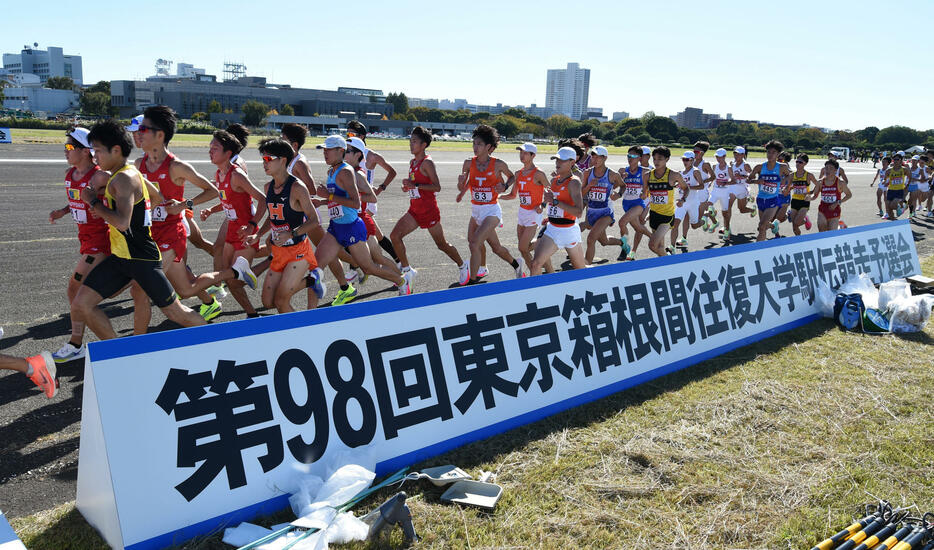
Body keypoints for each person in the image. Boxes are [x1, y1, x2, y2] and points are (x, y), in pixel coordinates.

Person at [69, 121, 255, 340]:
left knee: (174, 309)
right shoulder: (133, 170)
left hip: (142, 258)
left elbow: (122, 222)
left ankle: (215, 340)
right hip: (123, 256)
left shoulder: (127, 177)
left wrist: (94, 203)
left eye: (98, 151)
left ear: (116, 150)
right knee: (82, 303)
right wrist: (150, 209)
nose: (95, 156)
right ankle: (121, 352)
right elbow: (156, 195)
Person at [47, 127, 151, 363]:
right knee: (97, 293)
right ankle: (82, 343)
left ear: (86, 152)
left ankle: (76, 343)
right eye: (65, 147)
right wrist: (62, 211)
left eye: (70, 147)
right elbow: (75, 200)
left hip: (101, 243)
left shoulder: (99, 176)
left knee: (75, 290)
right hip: (85, 241)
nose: (65, 151)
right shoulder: (69, 174)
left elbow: (117, 205)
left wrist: (100, 208)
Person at [135, 105, 225, 321]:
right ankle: (232, 273)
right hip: (150, 234)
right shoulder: (139, 164)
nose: (139, 133)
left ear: (160, 135)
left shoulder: (176, 166)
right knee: (185, 290)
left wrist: (185, 205)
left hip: (171, 235)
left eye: (144, 129)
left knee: (141, 288)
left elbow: (213, 191)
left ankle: (138, 345)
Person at [310, 135, 412, 295]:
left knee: (371, 265)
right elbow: (339, 199)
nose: (325, 153)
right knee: (317, 266)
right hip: (337, 225)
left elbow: (363, 200)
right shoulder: (332, 170)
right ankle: (318, 301)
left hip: (356, 223)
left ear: (344, 152)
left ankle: (401, 280)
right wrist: (323, 202)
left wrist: (329, 197)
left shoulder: (353, 173)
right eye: (324, 149)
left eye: (328, 149)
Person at [243, 138, 326, 312]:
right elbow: (272, 217)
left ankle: (303, 335)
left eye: (268, 159)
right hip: (278, 251)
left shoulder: (297, 187)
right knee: (267, 302)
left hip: (298, 252)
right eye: (262, 159)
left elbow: (314, 220)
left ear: (282, 160)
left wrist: (291, 233)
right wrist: (257, 235)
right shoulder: (268, 187)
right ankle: (312, 280)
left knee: (281, 301)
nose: (264, 163)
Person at [390, 126, 470, 284]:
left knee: (441, 244)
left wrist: (416, 185)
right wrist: (407, 186)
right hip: (414, 210)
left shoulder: (427, 163)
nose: (411, 144)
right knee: (395, 236)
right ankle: (407, 271)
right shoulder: (413, 162)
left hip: (429, 211)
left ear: (424, 145)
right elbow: (415, 185)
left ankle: (462, 266)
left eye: (414, 141)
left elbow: (437, 186)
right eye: (410, 141)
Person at [200, 129, 266, 317]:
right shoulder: (218, 175)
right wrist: (211, 210)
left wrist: (252, 226)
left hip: (245, 232)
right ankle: (252, 315)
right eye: (210, 147)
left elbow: (262, 199)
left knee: (234, 279)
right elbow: (226, 200)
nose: (210, 151)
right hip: (232, 230)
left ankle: (270, 259)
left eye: (215, 148)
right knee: (229, 278)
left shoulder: (236, 175)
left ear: (228, 153)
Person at [456, 124, 525, 283]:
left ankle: (472, 283)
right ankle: (516, 264)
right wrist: (460, 183)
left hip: (491, 211)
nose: (475, 147)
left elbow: (513, 176)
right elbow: (462, 186)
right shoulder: (468, 163)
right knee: (496, 248)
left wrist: (505, 186)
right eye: (474, 143)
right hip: (476, 211)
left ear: (489, 147)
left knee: (474, 243)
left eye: (479, 144)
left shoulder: (498, 164)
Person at [347, 120, 400, 271]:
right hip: (357, 201)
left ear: (362, 136)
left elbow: (392, 172)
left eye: (352, 134)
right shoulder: (348, 153)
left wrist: (381, 188)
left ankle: (353, 272)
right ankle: (399, 264)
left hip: (367, 202)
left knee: (354, 237)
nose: (348, 136)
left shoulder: (372, 156)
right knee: (378, 237)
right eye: (347, 133)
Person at [529, 147, 586, 274]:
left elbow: (579, 212)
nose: (557, 163)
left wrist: (555, 202)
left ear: (572, 163)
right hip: (553, 229)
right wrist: (545, 206)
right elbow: (553, 201)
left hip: (569, 231)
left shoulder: (574, 182)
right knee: (535, 264)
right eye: (556, 160)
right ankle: (534, 293)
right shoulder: (554, 180)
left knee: (581, 271)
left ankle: (602, 276)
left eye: (562, 160)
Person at [579, 145, 625, 263]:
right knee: (604, 241)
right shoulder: (587, 173)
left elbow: (623, 185)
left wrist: (618, 195)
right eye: (593, 157)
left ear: (605, 158)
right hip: (592, 211)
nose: (594, 160)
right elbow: (581, 193)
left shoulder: (612, 174)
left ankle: (586, 269)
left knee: (590, 239)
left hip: (606, 212)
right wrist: (589, 186)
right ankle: (622, 242)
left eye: (598, 157)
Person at [645, 146, 688, 256]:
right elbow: (645, 194)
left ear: (667, 159)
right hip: (654, 215)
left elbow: (686, 188)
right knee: (659, 247)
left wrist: (682, 199)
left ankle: (670, 261)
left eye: (660, 159)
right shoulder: (647, 175)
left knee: (652, 245)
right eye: (654, 159)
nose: (656, 162)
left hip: (667, 216)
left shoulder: (674, 175)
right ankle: (666, 264)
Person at [747, 140, 791, 242]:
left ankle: (757, 250)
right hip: (761, 199)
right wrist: (756, 181)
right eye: (769, 152)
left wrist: (786, 186)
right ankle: (773, 225)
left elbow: (790, 177)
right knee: (764, 227)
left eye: (773, 153)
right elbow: (748, 180)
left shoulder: (782, 167)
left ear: (778, 154)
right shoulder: (759, 167)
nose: (770, 155)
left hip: (773, 200)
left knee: (761, 226)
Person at [616, 146, 650, 260]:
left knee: (622, 222)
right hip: (626, 203)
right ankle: (653, 237)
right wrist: (621, 178)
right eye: (629, 156)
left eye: (634, 156)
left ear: (640, 158)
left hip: (638, 204)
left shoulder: (645, 171)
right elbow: (615, 186)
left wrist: (645, 193)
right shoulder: (622, 170)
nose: (630, 158)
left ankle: (625, 248)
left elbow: (652, 185)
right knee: (638, 228)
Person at [672, 151, 705, 251]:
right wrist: (675, 185)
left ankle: (705, 218)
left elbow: (702, 186)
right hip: (682, 202)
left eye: (687, 160)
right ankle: (672, 247)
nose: (685, 162)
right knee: (675, 224)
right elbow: (675, 184)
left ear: (692, 160)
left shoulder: (695, 171)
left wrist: (688, 187)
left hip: (693, 202)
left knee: (694, 225)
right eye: (683, 159)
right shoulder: (680, 173)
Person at [809, 159, 852, 231]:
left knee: (831, 233)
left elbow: (849, 195)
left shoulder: (840, 183)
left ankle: (840, 226)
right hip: (823, 209)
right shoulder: (820, 182)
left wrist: (838, 202)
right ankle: (839, 226)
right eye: (826, 168)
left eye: (831, 168)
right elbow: (815, 195)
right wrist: (809, 198)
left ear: (835, 170)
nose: (828, 170)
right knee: (822, 229)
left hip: (834, 209)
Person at [789, 154, 818, 235]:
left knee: (797, 222)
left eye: (800, 162)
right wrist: (786, 189)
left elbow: (818, 185)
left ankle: (805, 220)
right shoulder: (792, 175)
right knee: (794, 226)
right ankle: (798, 240)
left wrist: (811, 192)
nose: (798, 164)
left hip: (804, 201)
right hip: (794, 200)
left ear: (805, 163)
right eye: (797, 161)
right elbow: (788, 186)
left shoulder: (809, 175)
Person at [706, 148, 732, 238]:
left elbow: (734, 181)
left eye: (720, 157)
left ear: (724, 156)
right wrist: (709, 183)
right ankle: (714, 219)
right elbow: (713, 177)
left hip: (725, 193)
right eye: (716, 157)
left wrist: (725, 183)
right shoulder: (714, 166)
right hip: (715, 191)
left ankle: (727, 230)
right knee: (707, 205)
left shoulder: (729, 168)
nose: (718, 158)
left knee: (725, 213)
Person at [691, 141, 716, 231]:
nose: (693, 153)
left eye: (696, 152)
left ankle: (706, 216)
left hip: (702, 192)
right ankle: (711, 213)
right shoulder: (692, 162)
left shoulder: (705, 164)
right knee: (693, 216)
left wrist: (704, 181)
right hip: (693, 191)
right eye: (693, 151)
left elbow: (713, 176)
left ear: (702, 153)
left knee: (697, 219)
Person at [883, 152, 909, 220]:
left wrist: (906, 186)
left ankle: (900, 208)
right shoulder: (889, 170)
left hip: (899, 190)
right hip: (890, 190)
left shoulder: (904, 169)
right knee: (888, 208)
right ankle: (894, 221)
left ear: (901, 160)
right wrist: (884, 181)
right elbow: (885, 178)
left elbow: (910, 177)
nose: (895, 161)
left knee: (893, 205)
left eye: (897, 159)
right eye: (894, 159)